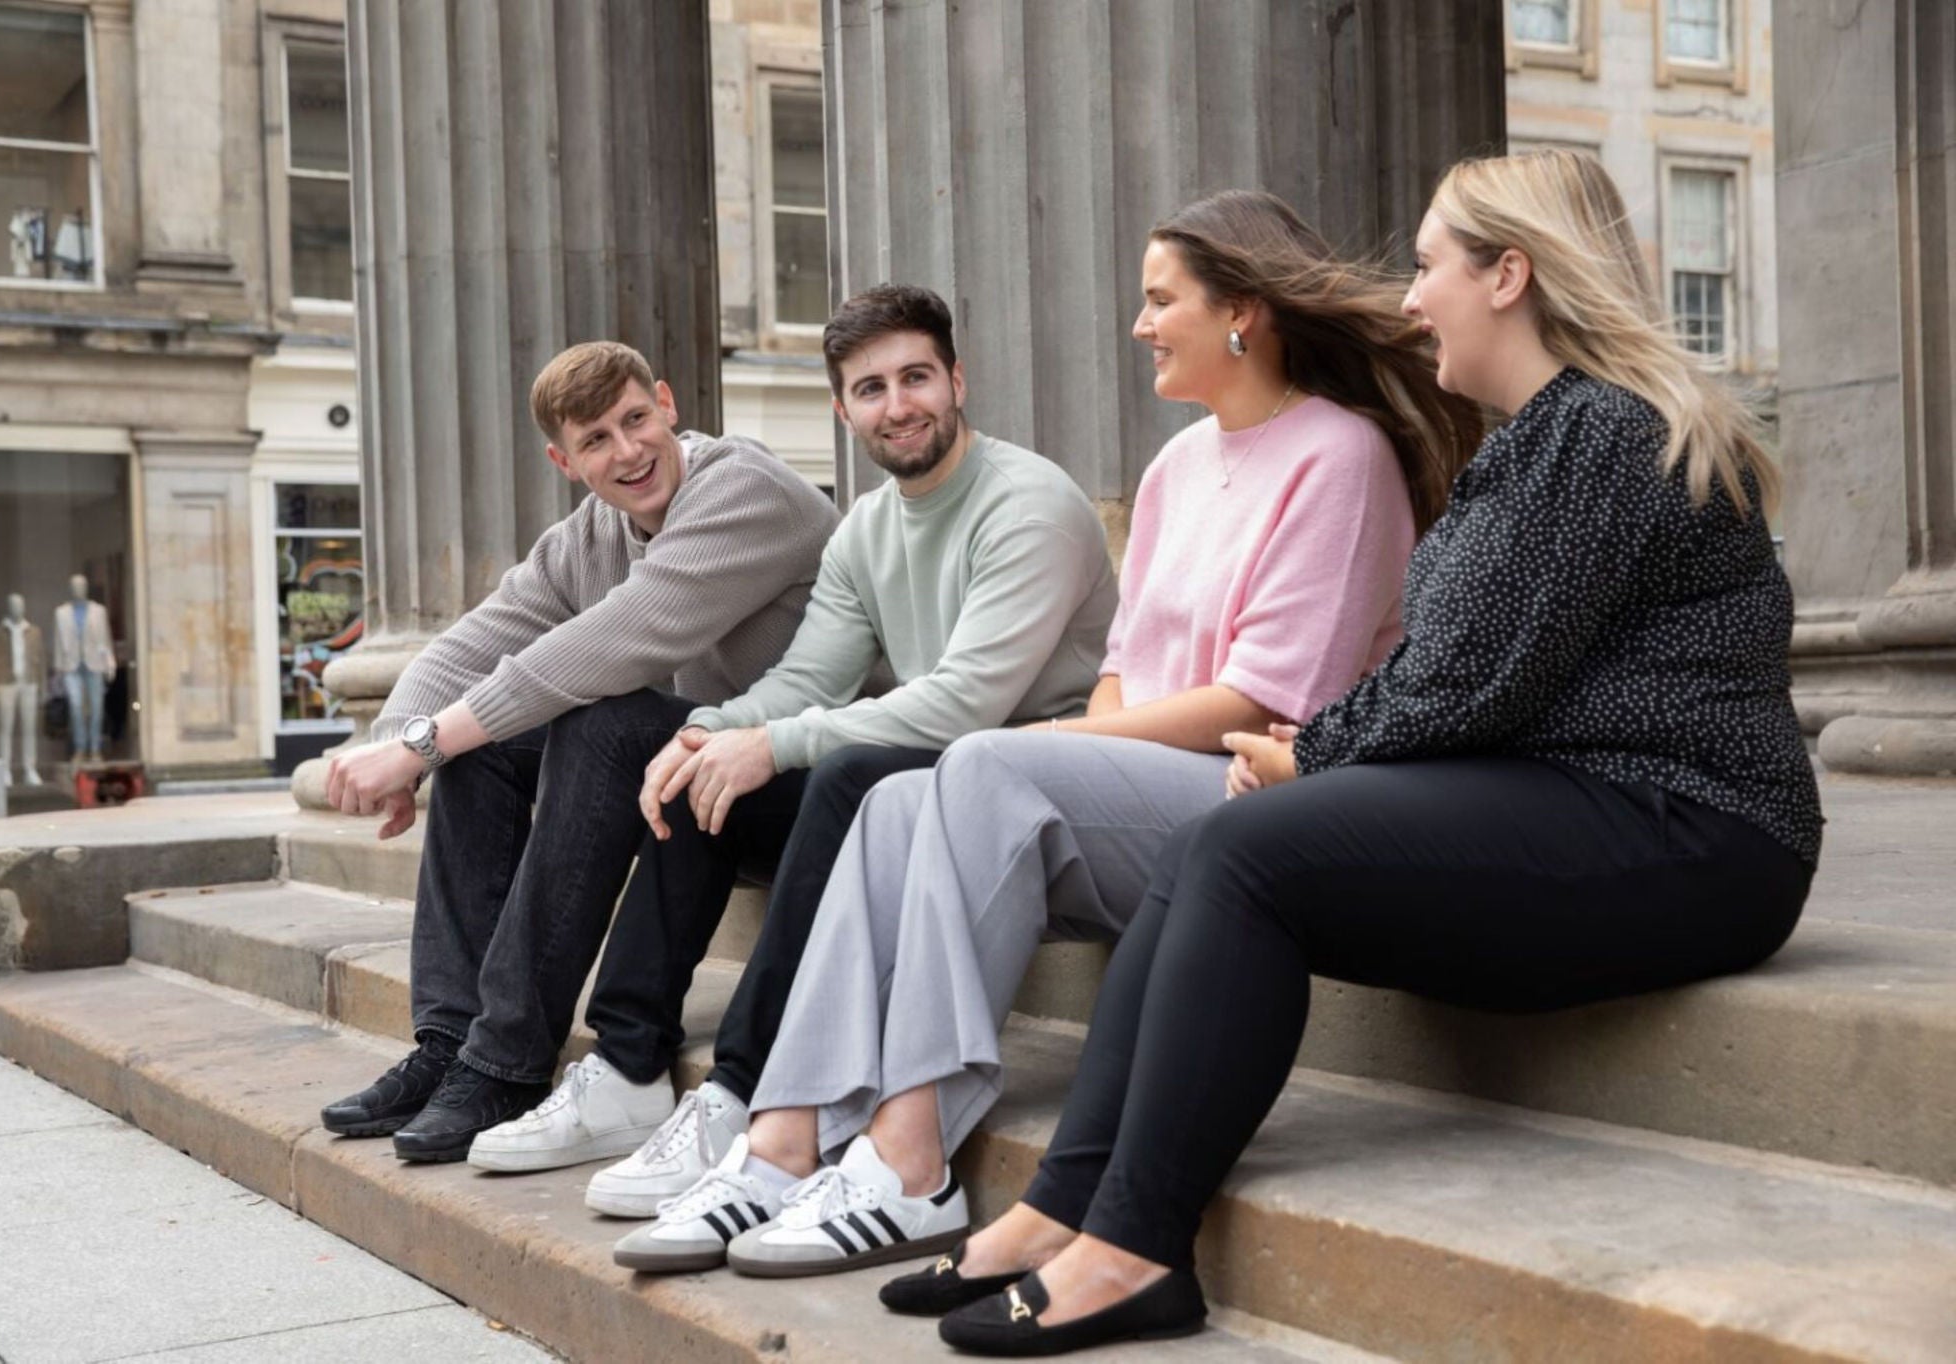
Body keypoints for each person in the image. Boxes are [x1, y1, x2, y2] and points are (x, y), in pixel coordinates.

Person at [924, 149, 1823, 1357]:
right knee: (1212, 843)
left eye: (1426, 263)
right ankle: (1061, 1209)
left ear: (1508, 274)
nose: (1406, 296)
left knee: (1243, 850)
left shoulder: (1596, 433)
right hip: (1587, 794)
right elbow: (1469, 670)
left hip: (1690, 826)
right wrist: (1321, 748)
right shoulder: (1548, 433)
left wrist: (1311, 754)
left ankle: (1133, 1249)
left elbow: (1468, 679)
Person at [611, 190, 1483, 1277]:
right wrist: (1081, 743)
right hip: (1139, 789)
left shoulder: (1337, 456)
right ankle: (783, 1136)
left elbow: (1260, 700)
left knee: (982, 761)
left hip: (1255, 799)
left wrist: (1065, 747)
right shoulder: (1174, 466)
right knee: (886, 798)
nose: (1139, 323)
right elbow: (1124, 664)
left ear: (1241, 313)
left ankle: (910, 1151)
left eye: (1160, 299)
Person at [473, 285, 1118, 1185]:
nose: (898, 406)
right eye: (871, 388)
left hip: (1028, 784)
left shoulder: (1027, 504)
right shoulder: (868, 528)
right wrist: (707, 732)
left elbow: (967, 701)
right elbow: (808, 677)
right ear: (842, 408)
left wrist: (770, 745)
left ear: (958, 381)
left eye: (916, 378)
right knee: (710, 773)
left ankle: (742, 1090)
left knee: (837, 773)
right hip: (924, 776)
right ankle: (626, 1065)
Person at [316, 341, 840, 1163]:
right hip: (705, 775)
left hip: (815, 783)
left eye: (636, 420)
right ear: (567, 460)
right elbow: (466, 649)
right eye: (597, 439)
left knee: (600, 719)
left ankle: (507, 1061)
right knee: (483, 748)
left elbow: (614, 642)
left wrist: (424, 741)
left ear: (666, 403)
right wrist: (405, 746)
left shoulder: (744, 488)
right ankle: (453, 1044)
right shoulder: (589, 537)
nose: (627, 451)